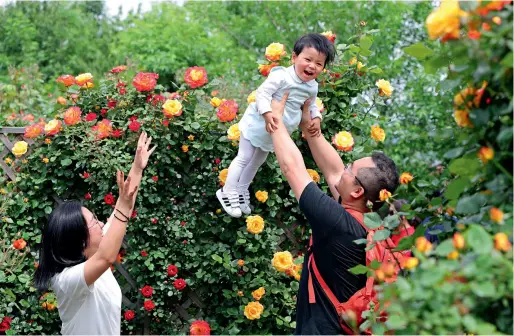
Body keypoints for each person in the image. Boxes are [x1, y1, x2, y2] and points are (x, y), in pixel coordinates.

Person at [268, 93, 399, 334]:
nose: (345, 169)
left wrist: (274, 116)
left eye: (351, 169)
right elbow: (333, 170)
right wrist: (309, 127)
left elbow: (292, 168)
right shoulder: (368, 224)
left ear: (358, 191)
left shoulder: (336, 223)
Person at [33, 132, 156, 335]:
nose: (101, 223)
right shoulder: (67, 280)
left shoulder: (94, 250)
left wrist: (137, 167)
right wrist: (123, 206)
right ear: (80, 242)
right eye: (94, 222)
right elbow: (107, 257)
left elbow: (123, 205)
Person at [216, 33, 336, 218]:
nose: (312, 66)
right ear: (295, 57)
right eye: (308, 59)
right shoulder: (282, 76)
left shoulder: (312, 87)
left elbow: (312, 105)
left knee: (257, 162)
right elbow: (262, 93)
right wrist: (267, 113)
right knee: (244, 157)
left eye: (319, 64)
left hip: (274, 133)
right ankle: (227, 191)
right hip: (258, 124)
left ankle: (241, 191)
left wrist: (317, 118)